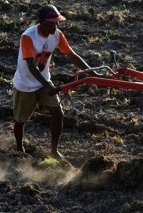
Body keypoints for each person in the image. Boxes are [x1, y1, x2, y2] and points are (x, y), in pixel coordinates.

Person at [12, 4, 91, 160]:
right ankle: (19, 148)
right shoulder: (28, 36)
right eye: (52, 22)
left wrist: (92, 71)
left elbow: (72, 55)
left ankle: (54, 151)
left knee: (57, 113)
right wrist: (47, 85)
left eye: (57, 22)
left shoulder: (57, 35)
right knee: (21, 120)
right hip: (25, 84)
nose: (56, 25)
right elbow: (30, 65)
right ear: (42, 21)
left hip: (43, 81)